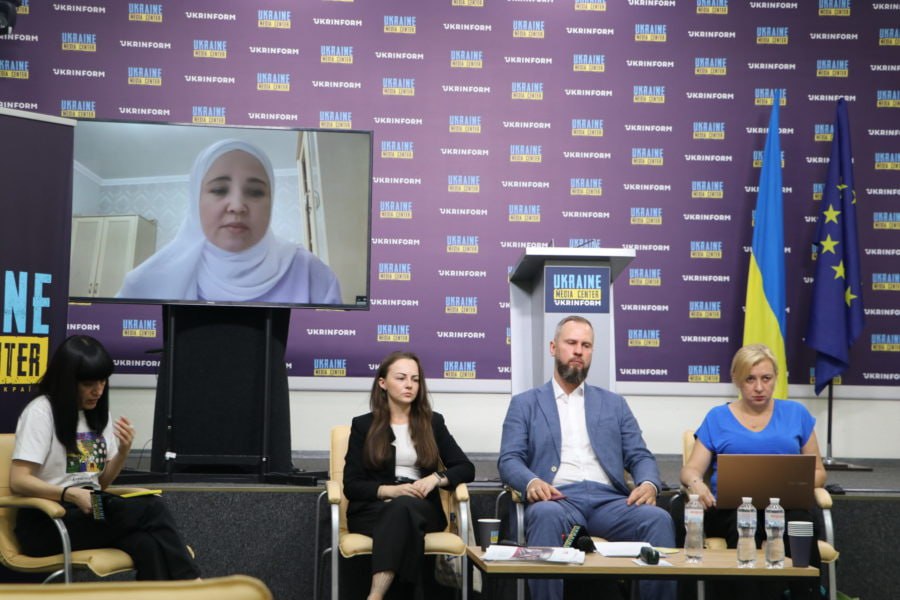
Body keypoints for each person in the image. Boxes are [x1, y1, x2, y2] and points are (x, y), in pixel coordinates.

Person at [498, 315, 676, 600]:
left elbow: (639, 455)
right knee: (544, 515)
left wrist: (648, 484)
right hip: (558, 499)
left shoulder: (614, 404)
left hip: (611, 502)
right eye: (571, 343)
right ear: (553, 347)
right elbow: (509, 459)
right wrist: (531, 482)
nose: (578, 350)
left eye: (586, 345)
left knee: (658, 519)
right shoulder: (525, 403)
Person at [10, 335, 200, 580]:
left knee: (147, 545)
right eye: (89, 383)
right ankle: (193, 583)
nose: (98, 390)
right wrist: (70, 494)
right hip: (47, 519)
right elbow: (18, 480)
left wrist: (122, 452)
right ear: (68, 382)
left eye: (102, 381)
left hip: (91, 505)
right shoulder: (41, 412)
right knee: (152, 508)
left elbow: (102, 484)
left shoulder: (97, 415)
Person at [678, 343, 827, 600]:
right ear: (736, 379)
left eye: (766, 378)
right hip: (732, 509)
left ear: (776, 379)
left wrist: (793, 482)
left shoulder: (796, 414)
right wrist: (696, 484)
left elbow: (819, 472)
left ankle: (806, 593)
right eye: (750, 379)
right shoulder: (718, 417)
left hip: (787, 505)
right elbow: (691, 469)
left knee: (799, 521)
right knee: (745, 525)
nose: (759, 387)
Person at [116, 138, 342, 304]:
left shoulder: (310, 273)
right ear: (196, 200)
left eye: (255, 192)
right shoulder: (148, 282)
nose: (237, 206)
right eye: (219, 189)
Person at [343, 351, 475, 600]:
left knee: (403, 509)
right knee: (400, 513)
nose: (409, 385)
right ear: (382, 383)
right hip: (373, 510)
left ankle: (375, 595)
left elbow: (466, 468)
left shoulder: (433, 422)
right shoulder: (363, 425)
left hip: (421, 507)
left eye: (415, 379)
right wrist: (390, 491)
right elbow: (352, 485)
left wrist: (434, 479)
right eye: (401, 378)